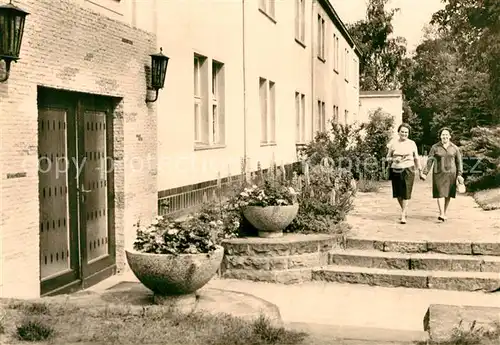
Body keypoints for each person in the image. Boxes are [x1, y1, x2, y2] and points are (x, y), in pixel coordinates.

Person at [421, 127, 464, 221]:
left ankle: (444, 212)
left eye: (446, 135)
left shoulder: (455, 148)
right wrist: (425, 173)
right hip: (438, 173)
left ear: (450, 136)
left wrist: (459, 174)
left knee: (448, 194)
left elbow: (459, 162)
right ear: (440, 136)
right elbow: (430, 161)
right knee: (440, 193)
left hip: (451, 174)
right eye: (443, 135)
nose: (444, 136)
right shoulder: (435, 147)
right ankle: (441, 213)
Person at [386, 123, 423, 224]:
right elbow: (387, 157)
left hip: (408, 169)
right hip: (396, 169)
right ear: (398, 132)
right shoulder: (393, 143)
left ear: (408, 133)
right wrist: (394, 159)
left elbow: (416, 158)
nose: (404, 134)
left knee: (406, 192)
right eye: (402, 132)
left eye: (406, 132)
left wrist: (420, 170)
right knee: (398, 193)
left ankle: (403, 215)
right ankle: (404, 210)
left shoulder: (412, 143)